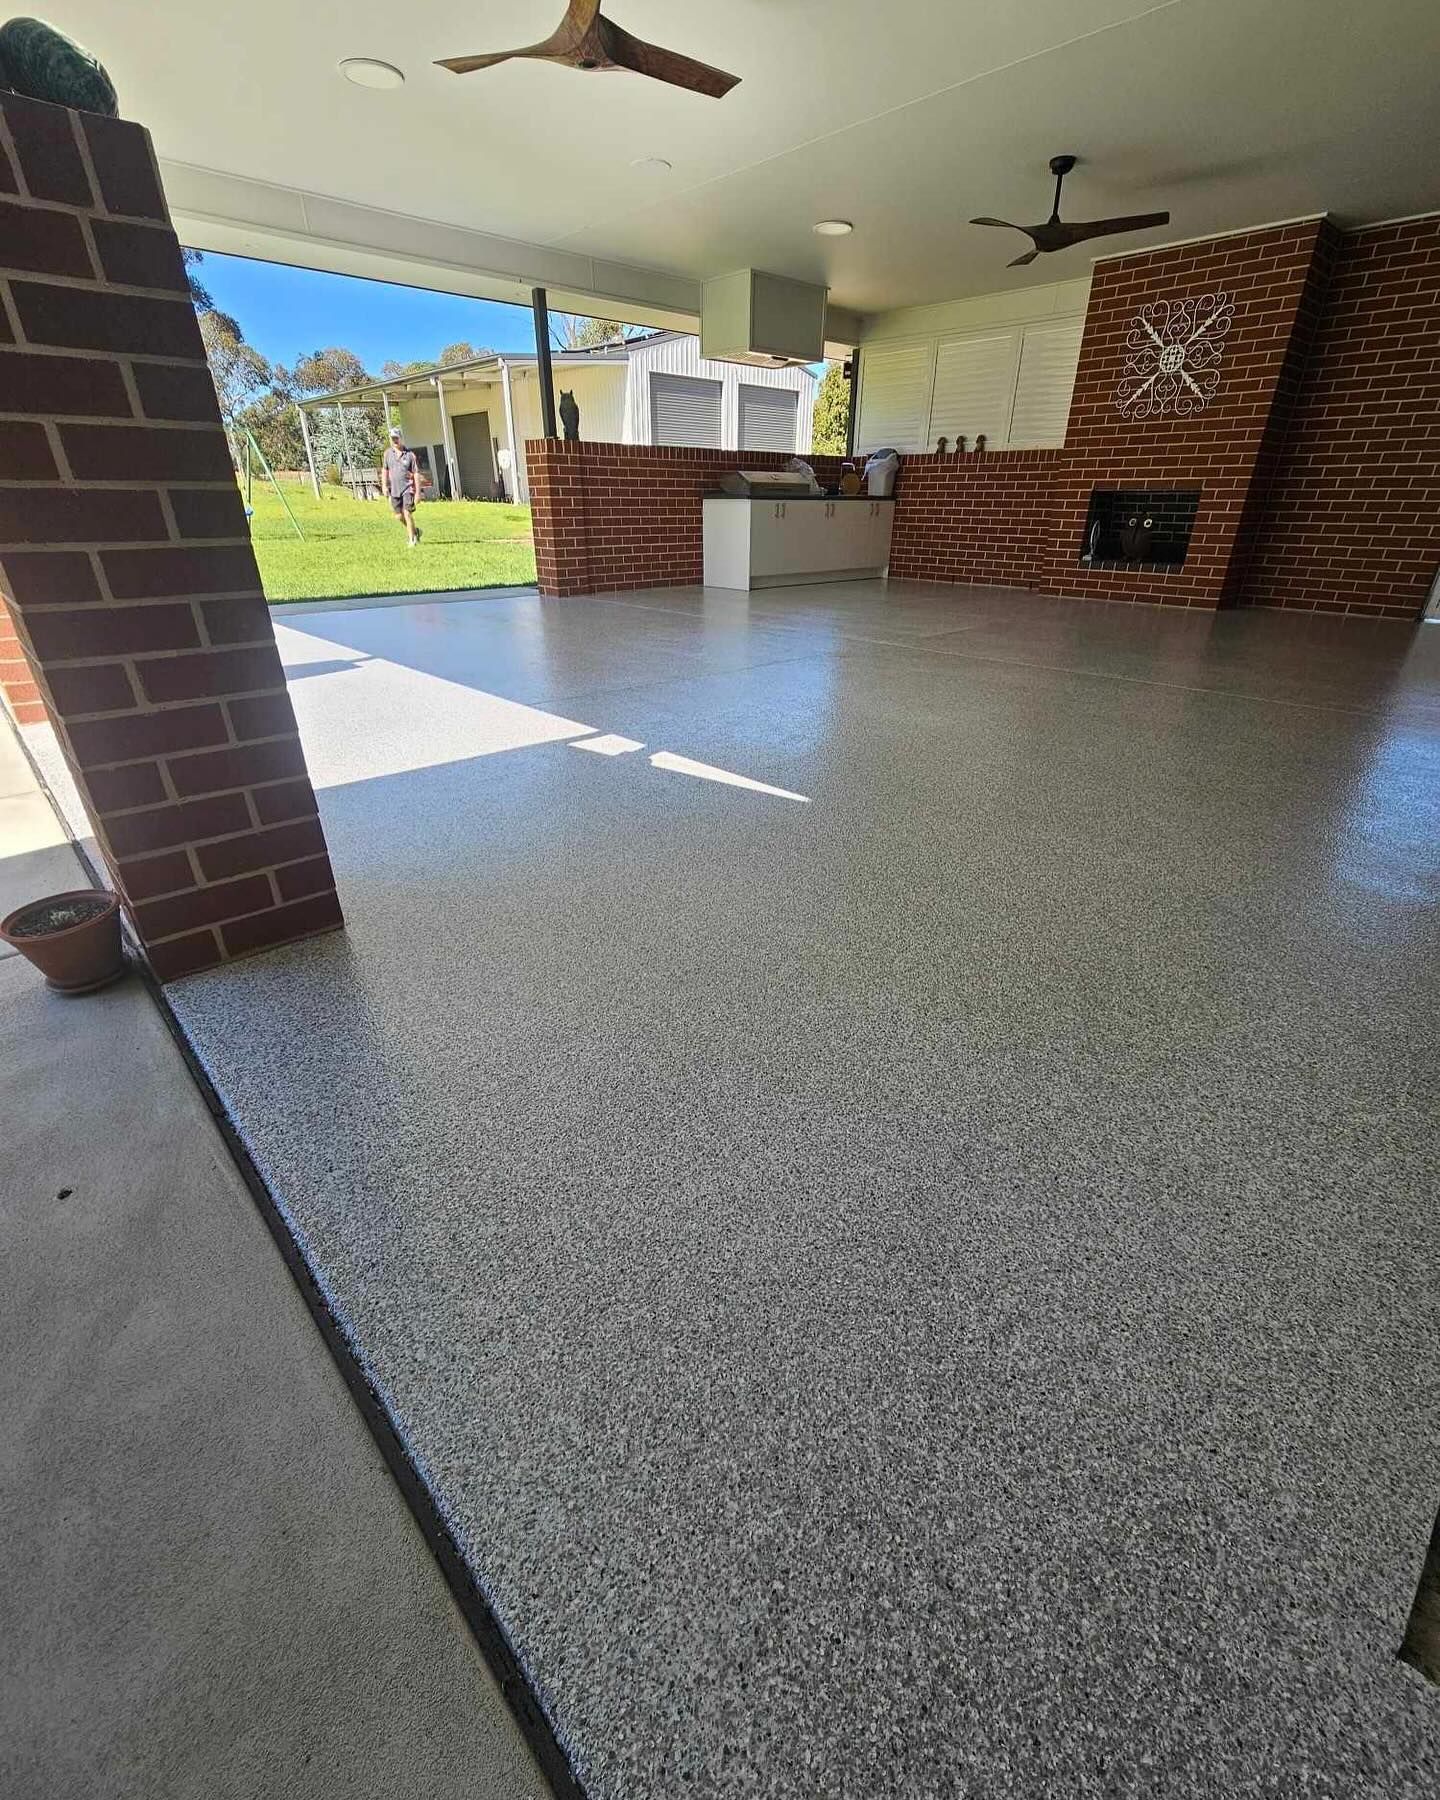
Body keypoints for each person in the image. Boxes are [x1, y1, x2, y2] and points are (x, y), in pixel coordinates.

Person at [382, 425, 422, 547]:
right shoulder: (388, 454)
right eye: (392, 438)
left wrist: (417, 493)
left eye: (396, 438)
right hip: (395, 490)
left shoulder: (409, 455)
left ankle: (412, 540)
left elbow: (416, 474)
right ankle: (416, 531)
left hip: (407, 488)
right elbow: (385, 470)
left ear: (401, 438)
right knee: (399, 516)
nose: (394, 441)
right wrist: (384, 485)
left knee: (407, 513)